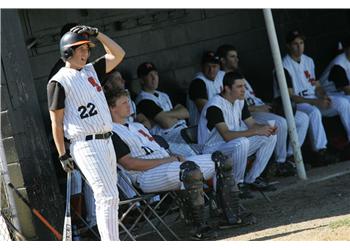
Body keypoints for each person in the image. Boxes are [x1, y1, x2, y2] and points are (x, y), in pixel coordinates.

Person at [104, 87, 255, 240]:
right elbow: (129, 164)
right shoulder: (111, 133)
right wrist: (168, 160)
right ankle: (198, 228)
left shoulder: (138, 126)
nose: (128, 105)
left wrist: (173, 156)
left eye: (127, 101)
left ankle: (229, 215)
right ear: (111, 108)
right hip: (144, 176)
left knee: (221, 160)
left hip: (168, 165)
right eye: (123, 103)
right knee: (189, 172)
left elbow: (158, 151)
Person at [47, 25, 125, 241]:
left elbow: (118, 54)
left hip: (106, 140)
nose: (85, 53)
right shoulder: (58, 81)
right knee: (106, 196)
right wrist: (63, 154)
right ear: (67, 52)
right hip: (85, 143)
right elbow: (56, 121)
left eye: (87, 49)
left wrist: (98, 34)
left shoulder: (91, 70)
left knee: (111, 197)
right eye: (80, 49)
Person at [216, 44, 310, 176]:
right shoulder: (221, 79)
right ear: (222, 60)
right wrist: (257, 109)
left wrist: (266, 106)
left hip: (260, 108)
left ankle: (291, 157)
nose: (236, 59)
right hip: (252, 112)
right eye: (232, 57)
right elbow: (230, 104)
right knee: (281, 123)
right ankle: (279, 162)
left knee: (303, 118)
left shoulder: (238, 76)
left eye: (237, 56)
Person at [198, 71, 278, 199]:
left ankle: (252, 179)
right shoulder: (214, 106)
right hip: (212, 149)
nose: (243, 90)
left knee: (269, 136)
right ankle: (235, 184)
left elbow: (251, 124)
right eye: (239, 87)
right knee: (242, 142)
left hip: (231, 145)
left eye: (244, 86)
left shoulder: (240, 101)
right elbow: (226, 135)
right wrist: (255, 131)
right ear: (227, 88)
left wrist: (266, 128)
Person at [282, 30, 350, 159]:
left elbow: (317, 86)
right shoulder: (283, 66)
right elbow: (291, 97)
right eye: (295, 44)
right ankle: (320, 150)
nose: (299, 46)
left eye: (301, 43)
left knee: (343, 103)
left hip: (314, 99)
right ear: (288, 46)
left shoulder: (308, 61)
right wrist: (316, 102)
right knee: (314, 112)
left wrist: (323, 95)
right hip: (298, 104)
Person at [135, 62, 196, 156]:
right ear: (142, 80)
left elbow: (186, 113)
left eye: (155, 74)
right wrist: (176, 115)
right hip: (168, 136)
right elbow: (166, 123)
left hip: (182, 130)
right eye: (149, 75)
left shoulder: (163, 95)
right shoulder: (143, 100)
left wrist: (164, 114)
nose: (154, 78)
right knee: (195, 152)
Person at [187, 51, 226, 126]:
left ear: (219, 67)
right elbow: (206, 110)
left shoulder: (222, 76)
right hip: (201, 127)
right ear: (202, 67)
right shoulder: (198, 82)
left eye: (214, 66)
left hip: (219, 122)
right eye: (208, 66)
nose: (211, 70)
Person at [319, 38, 350, 102]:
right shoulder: (339, 65)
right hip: (326, 93)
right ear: (346, 49)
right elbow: (347, 90)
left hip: (339, 92)